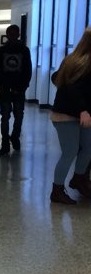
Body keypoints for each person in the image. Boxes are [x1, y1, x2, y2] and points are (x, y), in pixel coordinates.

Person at [48, 27, 91, 205]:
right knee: (70, 152)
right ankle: (57, 190)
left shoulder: (74, 60)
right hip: (66, 115)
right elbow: (70, 87)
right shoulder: (79, 61)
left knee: (88, 149)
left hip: (83, 114)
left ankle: (79, 178)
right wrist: (83, 110)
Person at [0, 24, 33, 156]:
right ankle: (5, 143)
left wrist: (23, 87)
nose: (12, 36)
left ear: (18, 35)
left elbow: (28, 70)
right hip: (4, 88)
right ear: (7, 34)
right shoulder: (0, 51)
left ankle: (15, 136)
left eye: (15, 34)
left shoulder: (24, 50)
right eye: (10, 34)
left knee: (19, 115)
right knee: (5, 116)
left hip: (19, 89)